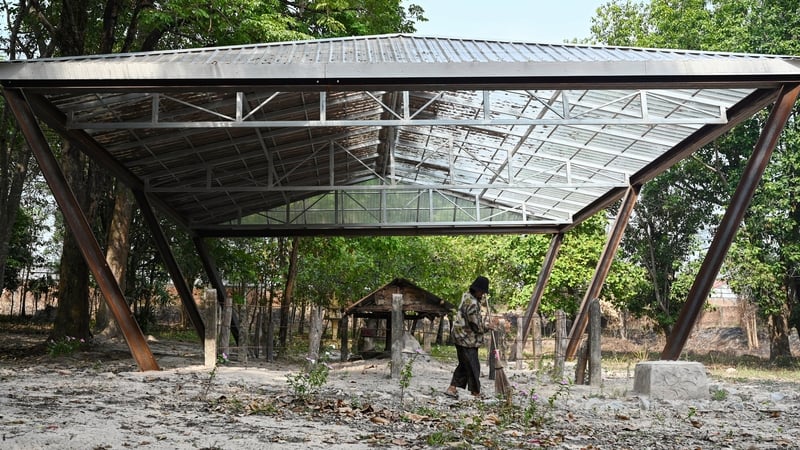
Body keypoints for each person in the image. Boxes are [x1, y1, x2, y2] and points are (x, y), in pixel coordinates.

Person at [445, 276, 491, 399]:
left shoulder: (467, 297)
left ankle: (452, 388)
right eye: (482, 292)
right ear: (477, 290)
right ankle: (475, 392)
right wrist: (488, 327)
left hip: (460, 336)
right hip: (466, 339)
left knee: (464, 364)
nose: (482, 294)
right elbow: (475, 324)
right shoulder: (472, 303)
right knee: (473, 365)